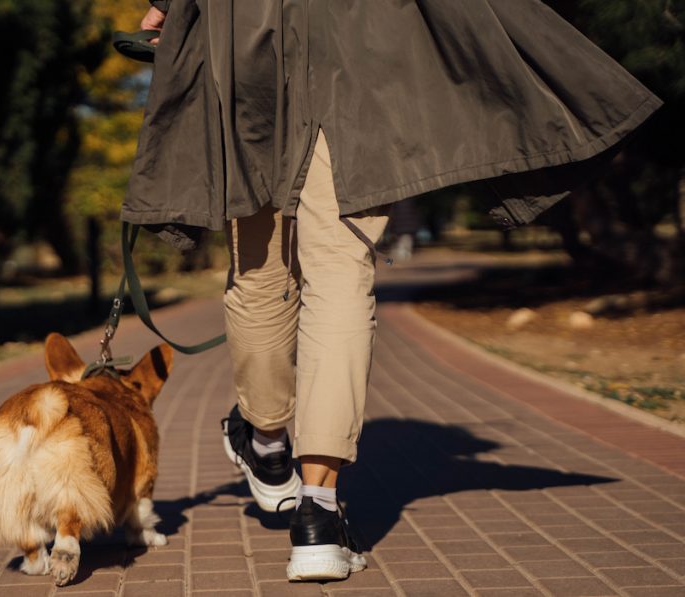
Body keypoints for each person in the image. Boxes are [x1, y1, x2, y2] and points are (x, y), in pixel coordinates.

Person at [125, 0, 661, 582]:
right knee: (340, 273)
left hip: (245, 28)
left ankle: (268, 435)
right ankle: (318, 516)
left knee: (259, 266)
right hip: (355, 33)